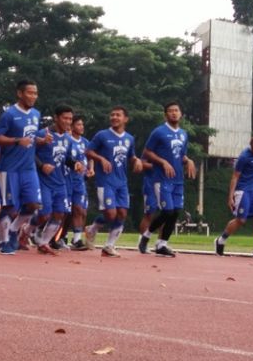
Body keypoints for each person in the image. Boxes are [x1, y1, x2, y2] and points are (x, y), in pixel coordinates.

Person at [0, 80, 50, 255]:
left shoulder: (36, 114)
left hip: (29, 168)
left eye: (35, 93)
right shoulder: (9, 114)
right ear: (20, 94)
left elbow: (29, 137)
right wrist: (17, 140)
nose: (33, 96)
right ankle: (3, 241)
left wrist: (40, 141)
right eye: (30, 93)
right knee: (10, 208)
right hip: (9, 168)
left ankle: (14, 230)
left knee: (33, 205)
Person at [84, 106, 143, 257]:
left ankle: (109, 246)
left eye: (118, 115)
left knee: (122, 213)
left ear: (125, 119)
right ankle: (92, 228)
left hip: (122, 181)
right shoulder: (102, 135)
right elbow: (88, 151)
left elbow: (131, 156)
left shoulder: (129, 138)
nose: (114, 117)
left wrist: (136, 161)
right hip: (105, 180)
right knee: (111, 214)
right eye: (112, 115)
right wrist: (101, 158)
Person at [139, 102, 197, 257]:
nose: (174, 113)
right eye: (170, 111)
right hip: (162, 178)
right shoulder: (159, 132)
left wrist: (189, 161)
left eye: (176, 110)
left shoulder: (184, 134)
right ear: (165, 115)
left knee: (176, 212)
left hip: (178, 179)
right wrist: (163, 162)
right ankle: (146, 236)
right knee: (167, 211)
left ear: (181, 114)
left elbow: (181, 155)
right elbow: (147, 152)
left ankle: (162, 244)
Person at [30, 105, 81, 254]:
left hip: (60, 182)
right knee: (45, 214)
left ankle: (44, 243)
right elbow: (29, 153)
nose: (68, 121)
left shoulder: (67, 139)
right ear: (56, 118)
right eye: (65, 118)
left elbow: (66, 159)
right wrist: (41, 165)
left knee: (60, 214)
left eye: (70, 119)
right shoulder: (42, 133)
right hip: (44, 181)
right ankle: (27, 230)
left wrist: (75, 164)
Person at [214, 136, 253, 258]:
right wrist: (230, 196)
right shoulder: (244, 157)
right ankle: (220, 241)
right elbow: (235, 176)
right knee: (241, 220)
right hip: (243, 189)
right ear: (251, 146)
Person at [66, 115, 93, 250]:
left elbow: (91, 156)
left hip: (80, 181)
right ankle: (54, 235)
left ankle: (76, 240)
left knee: (80, 210)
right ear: (71, 126)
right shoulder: (67, 140)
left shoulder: (85, 142)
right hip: (66, 179)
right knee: (63, 211)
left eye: (82, 125)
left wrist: (91, 169)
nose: (81, 127)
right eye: (78, 125)